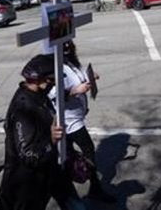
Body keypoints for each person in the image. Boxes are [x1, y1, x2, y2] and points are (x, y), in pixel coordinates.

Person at [0, 54, 78, 210]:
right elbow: (29, 155)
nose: (53, 84)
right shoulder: (23, 109)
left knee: (75, 204)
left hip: (50, 170)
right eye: (51, 80)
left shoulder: (39, 94)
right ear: (38, 79)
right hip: (28, 183)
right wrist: (51, 140)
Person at [48, 42, 116, 203]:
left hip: (77, 117)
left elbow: (77, 78)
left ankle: (73, 188)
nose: (68, 48)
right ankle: (93, 188)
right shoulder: (55, 68)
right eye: (64, 46)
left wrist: (89, 77)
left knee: (68, 155)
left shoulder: (71, 63)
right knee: (87, 150)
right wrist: (75, 91)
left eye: (69, 45)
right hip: (69, 121)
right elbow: (52, 93)